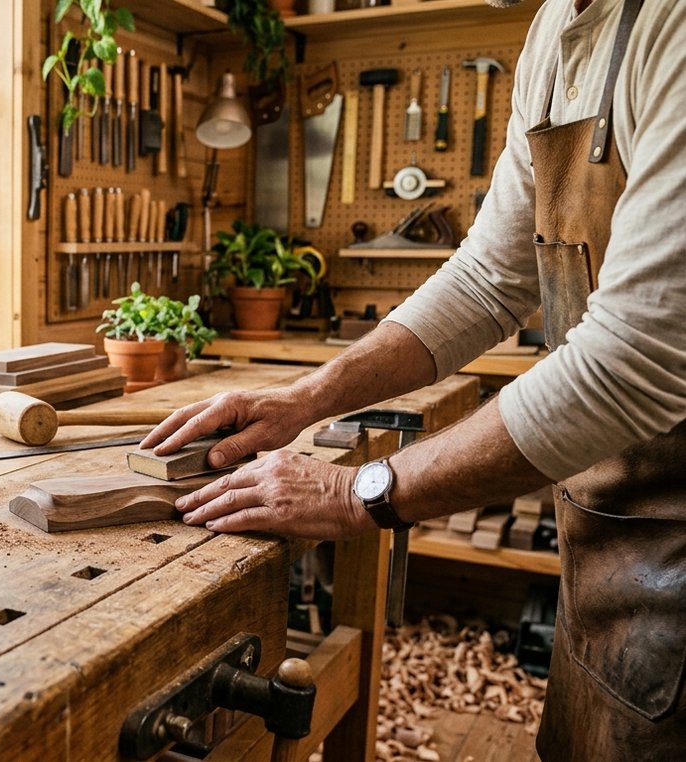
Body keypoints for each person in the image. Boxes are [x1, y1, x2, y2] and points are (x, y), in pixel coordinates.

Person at [140, 0, 685, 756]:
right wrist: (303, 401)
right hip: (606, 547)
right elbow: (491, 279)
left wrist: (355, 491)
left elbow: (633, 359)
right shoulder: (556, 28)